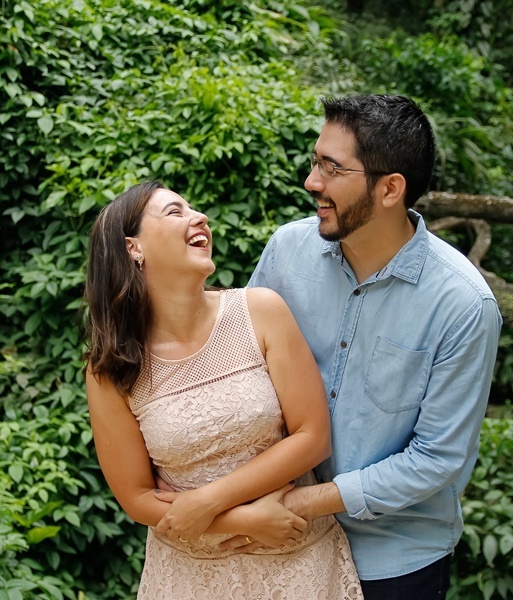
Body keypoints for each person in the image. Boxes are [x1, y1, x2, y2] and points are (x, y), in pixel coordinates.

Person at [234, 94, 503, 599]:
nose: (312, 182)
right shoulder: (287, 251)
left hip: (394, 561)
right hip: (280, 545)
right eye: (316, 162)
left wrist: (300, 504)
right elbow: (243, 374)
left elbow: (437, 458)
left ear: (390, 189)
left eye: (332, 168)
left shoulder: (464, 304)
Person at [83, 181, 363, 599]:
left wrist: (208, 500)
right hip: (188, 578)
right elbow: (137, 496)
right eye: (175, 212)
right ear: (132, 248)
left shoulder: (261, 310)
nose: (200, 217)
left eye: (194, 208)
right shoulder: (111, 368)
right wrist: (241, 519)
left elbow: (312, 436)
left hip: (298, 563)